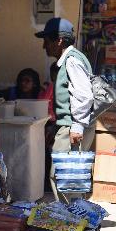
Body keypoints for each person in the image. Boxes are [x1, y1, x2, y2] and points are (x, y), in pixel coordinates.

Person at [37, 17, 95, 153]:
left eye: (46, 41)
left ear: (59, 41)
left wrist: (77, 127)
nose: (44, 46)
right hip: (70, 126)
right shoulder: (69, 60)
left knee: (61, 172)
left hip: (72, 128)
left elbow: (84, 95)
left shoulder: (72, 61)